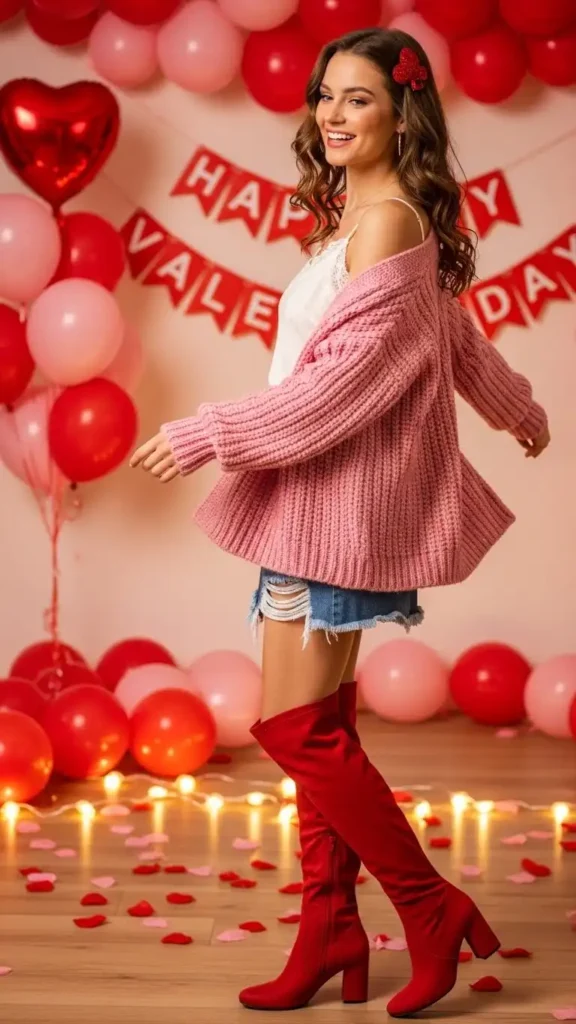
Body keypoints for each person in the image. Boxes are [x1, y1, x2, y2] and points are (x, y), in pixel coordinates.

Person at [130, 27, 549, 1018]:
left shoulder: (387, 224)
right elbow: (452, 337)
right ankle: (329, 930)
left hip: (340, 512)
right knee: (315, 727)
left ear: (404, 115)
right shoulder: (364, 221)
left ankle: (429, 907)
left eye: (358, 98)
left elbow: (334, 397)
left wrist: (205, 432)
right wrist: (517, 409)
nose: (331, 113)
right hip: (310, 509)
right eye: (326, 95)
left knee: (295, 730)